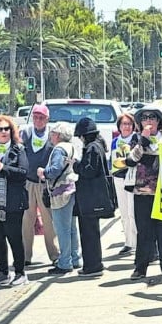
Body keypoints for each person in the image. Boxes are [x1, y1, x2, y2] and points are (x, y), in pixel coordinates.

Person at [126, 104, 162, 281]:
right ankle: (140, 267)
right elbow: (131, 159)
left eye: (152, 118)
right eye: (144, 118)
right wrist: (143, 140)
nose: (148, 121)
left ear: (159, 121)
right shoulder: (136, 139)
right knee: (144, 231)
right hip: (142, 192)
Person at [0, 115, 29, 287]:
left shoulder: (19, 149)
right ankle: (3, 272)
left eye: (6, 129)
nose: (3, 132)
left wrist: (2, 167)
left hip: (13, 201)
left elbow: (23, 173)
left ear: (11, 131)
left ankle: (20, 272)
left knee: (14, 237)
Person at [20, 105, 60, 267]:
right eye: (35, 117)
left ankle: (55, 255)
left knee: (49, 220)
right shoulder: (26, 133)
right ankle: (25, 256)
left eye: (41, 117)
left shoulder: (52, 135)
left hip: (46, 184)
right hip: (28, 182)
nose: (38, 120)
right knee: (26, 220)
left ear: (47, 119)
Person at [73, 117, 113, 277]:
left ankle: (92, 265)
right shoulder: (98, 146)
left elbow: (88, 170)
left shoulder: (92, 149)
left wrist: (75, 165)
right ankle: (94, 263)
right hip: (94, 196)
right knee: (92, 232)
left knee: (88, 233)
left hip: (90, 197)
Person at [38, 122, 79, 275]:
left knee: (62, 229)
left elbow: (54, 170)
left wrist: (43, 172)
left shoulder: (59, 149)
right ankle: (75, 258)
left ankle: (65, 262)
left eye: (52, 133)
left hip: (60, 192)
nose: (51, 135)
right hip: (71, 188)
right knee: (72, 228)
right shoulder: (72, 147)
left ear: (57, 135)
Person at [109, 113, 139, 256]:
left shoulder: (136, 139)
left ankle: (136, 242)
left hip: (132, 179)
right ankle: (128, 242)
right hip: (118, 178)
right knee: (123, 211)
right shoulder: (115, 141)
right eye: (123, 124)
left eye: (129, 124)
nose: (126, 127)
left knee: (133, 212)